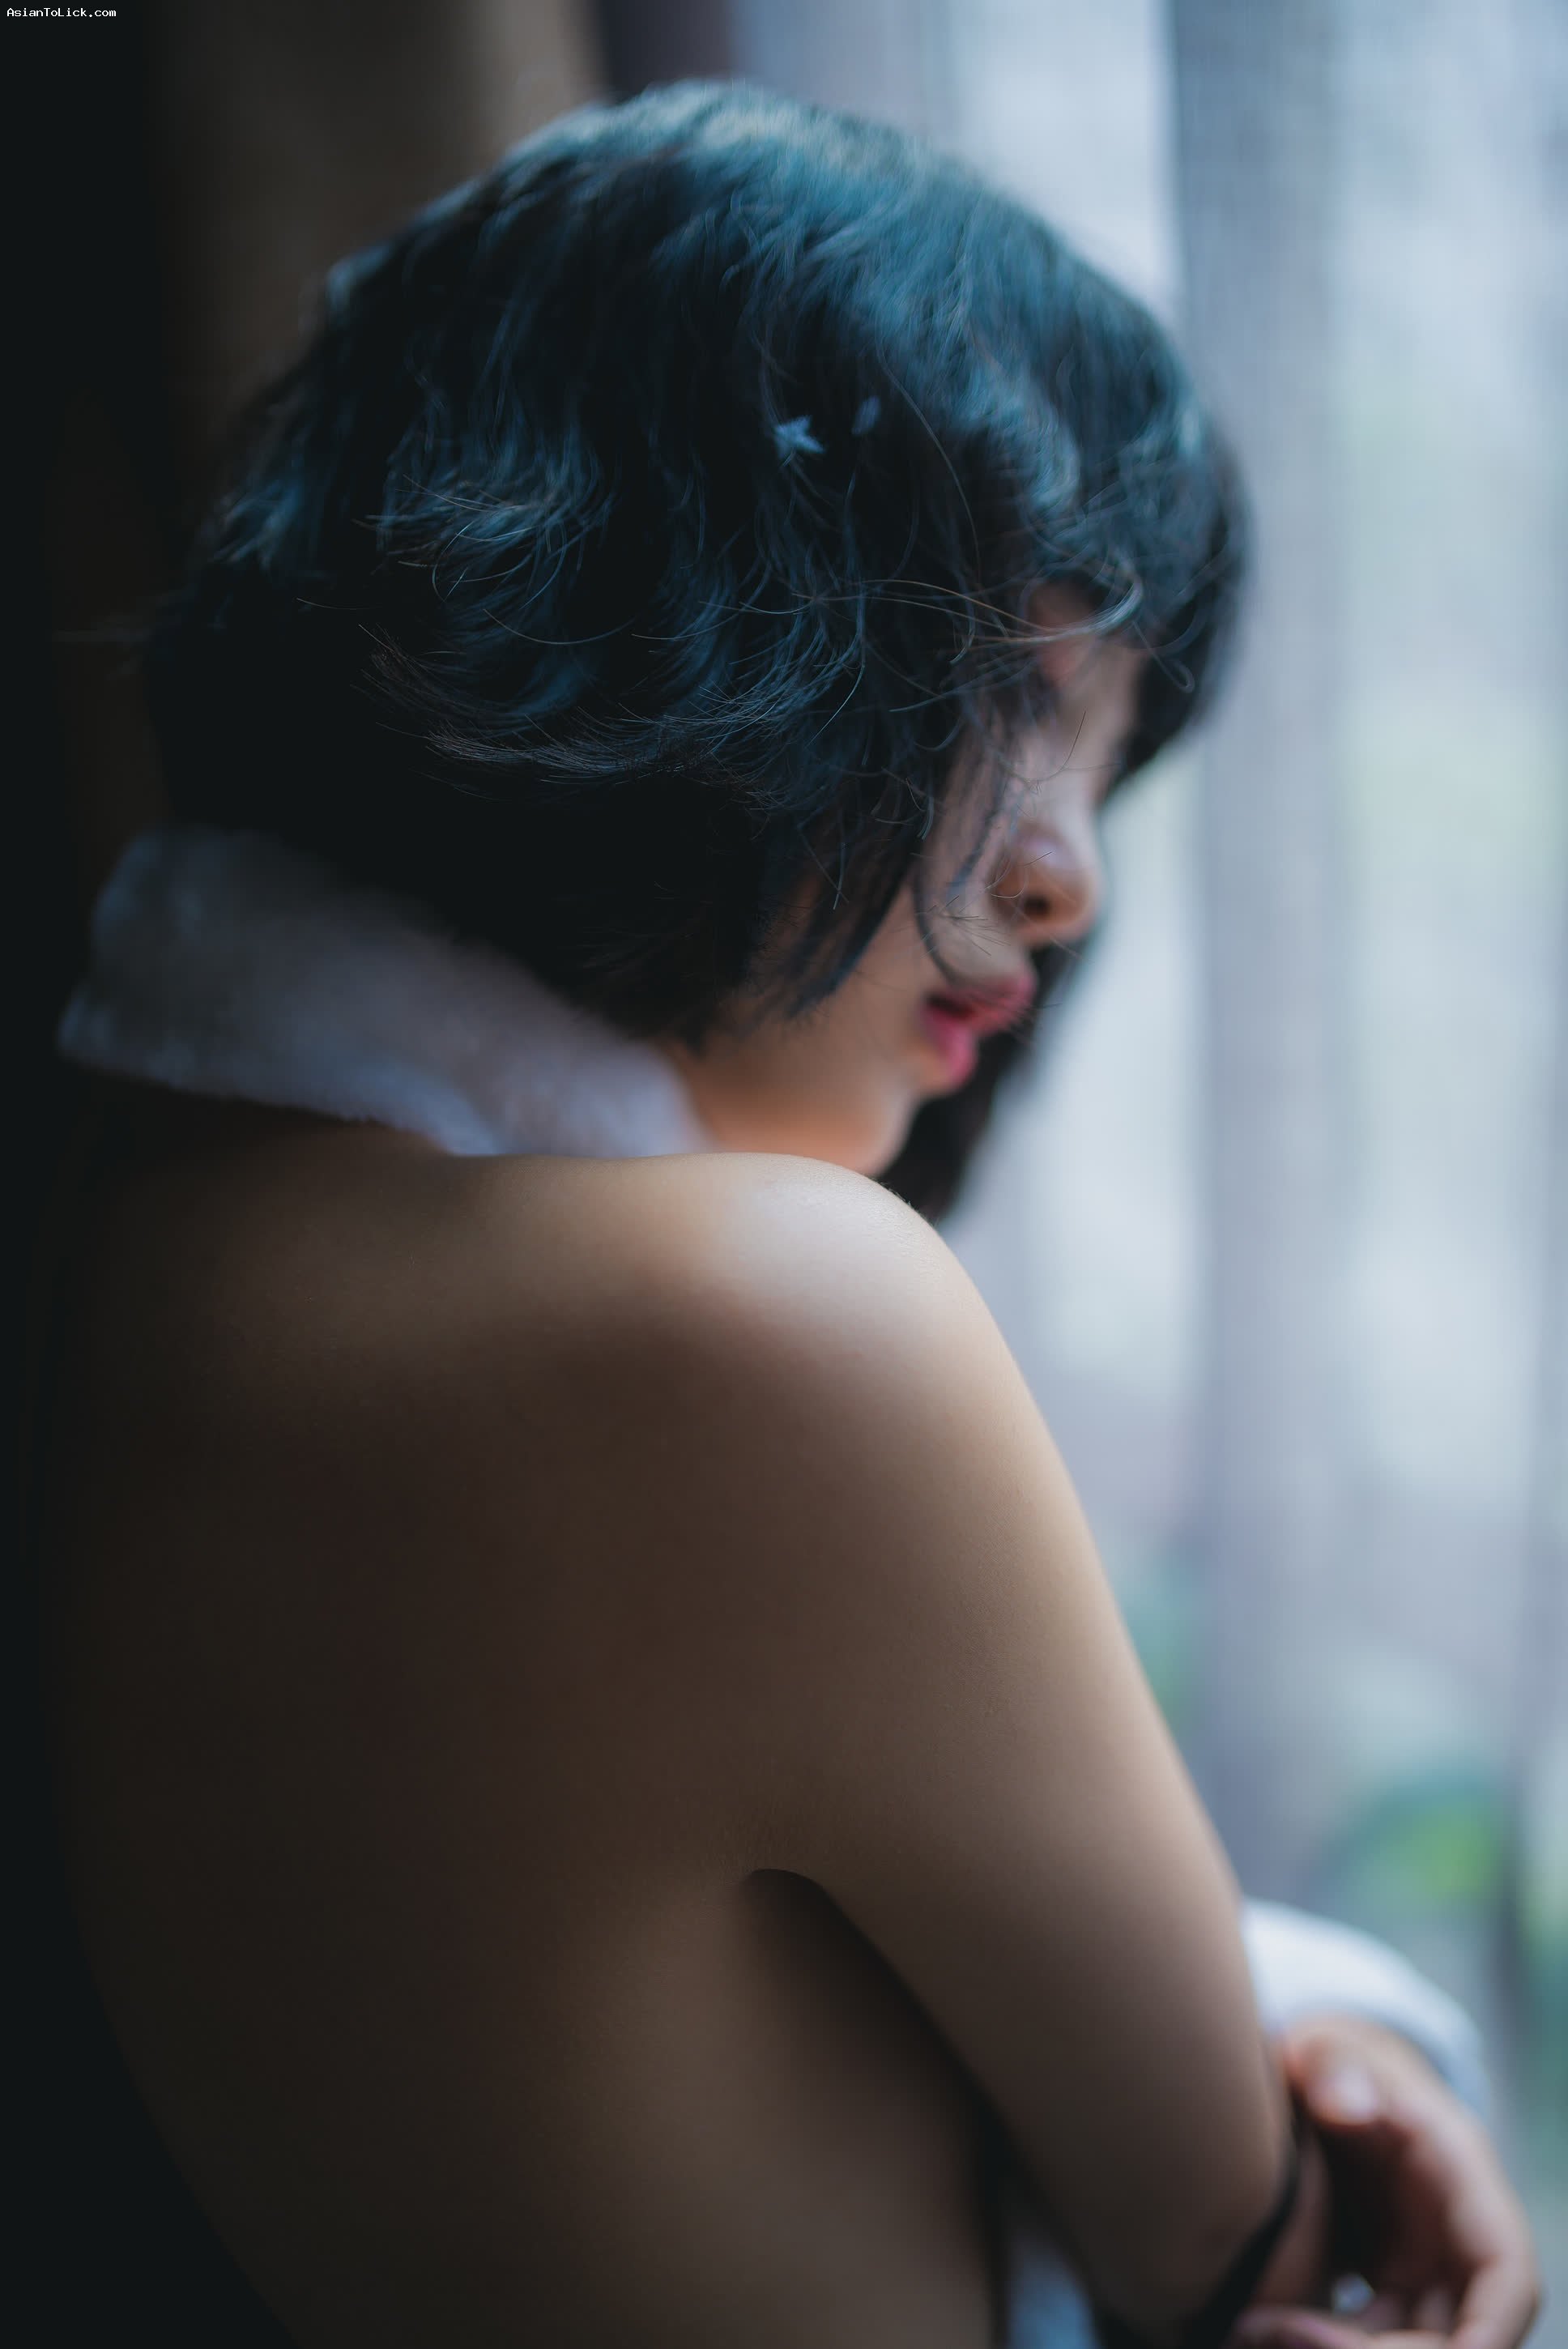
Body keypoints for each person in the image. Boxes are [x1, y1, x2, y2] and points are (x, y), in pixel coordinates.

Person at [36, 82, 1539, 2349]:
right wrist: (1354, 2052)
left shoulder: (147, 1192)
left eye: (1109, 758)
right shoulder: (757, 1319)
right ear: (653, 586)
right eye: (1013, 695)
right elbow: (1249, 2258)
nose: (1073, 878)